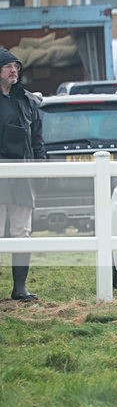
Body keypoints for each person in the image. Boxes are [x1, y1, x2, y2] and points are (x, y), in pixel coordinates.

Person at [0, 48, 45, 301]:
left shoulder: (28, 101)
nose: (13, 71)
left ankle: (20, 288)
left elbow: (37, 138)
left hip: (24, 175)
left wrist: (41, 168)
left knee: (22, 232)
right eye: (8, 67)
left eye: (16, 66)